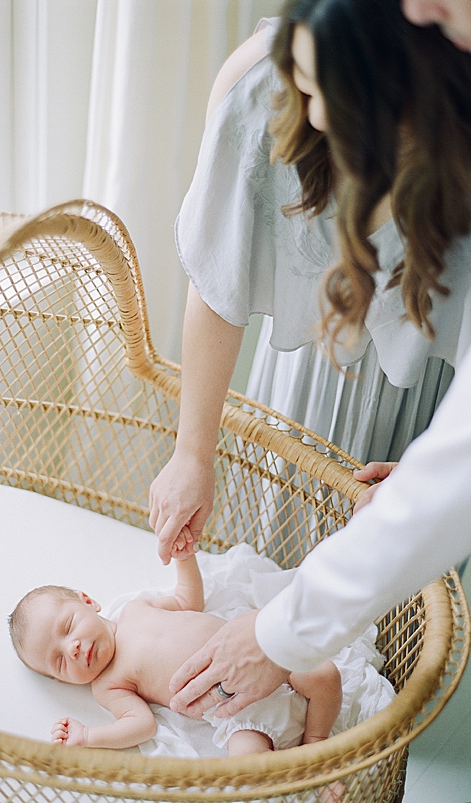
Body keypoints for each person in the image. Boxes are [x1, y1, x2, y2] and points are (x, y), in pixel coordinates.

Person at [163, 0, 471, 718]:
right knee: (272, 555)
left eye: (319, 87)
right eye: (295, 78)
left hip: (423, 392)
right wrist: (192, 450)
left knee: (378, 646)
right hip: (303, 375)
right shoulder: (264, 91)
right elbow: (217, 272)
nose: (311, 109)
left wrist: (437, 469)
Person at [9, 552, 341, 754]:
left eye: (68, 628)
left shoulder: (135, 608)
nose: (74, 648)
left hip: (263, 660)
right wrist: (88, 737)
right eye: (60, 661)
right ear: (62, 682)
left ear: (87, 601)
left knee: (325, 674)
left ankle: (316, 741)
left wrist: (185, 559)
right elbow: (140, 725)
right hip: (241, 717)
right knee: (249, 766)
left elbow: (188, 600)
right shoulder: (108, 684)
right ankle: (309, 772)